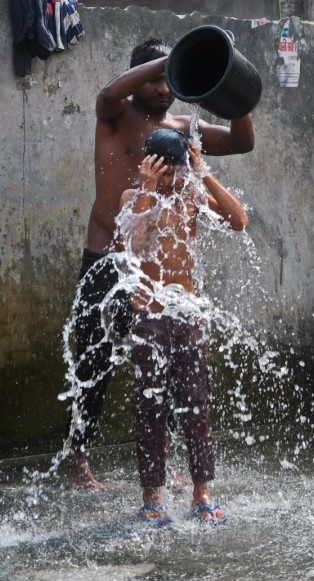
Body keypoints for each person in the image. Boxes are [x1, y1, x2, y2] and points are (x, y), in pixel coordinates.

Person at [66, 37, 255, 490]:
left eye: (167, 81)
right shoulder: (116, 116)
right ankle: (76, 458)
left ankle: (164, 462)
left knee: (164, 364)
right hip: (108, 260)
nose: (163, 88)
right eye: (154, 79)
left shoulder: (184, 127)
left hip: (155, 277)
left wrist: (233, 92)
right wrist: (174, 60)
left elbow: (242, 141)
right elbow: (108, 94)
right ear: (140, 77)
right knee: (94, 362)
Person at [121, 128, 248, 525]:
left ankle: (202, 492)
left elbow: (239, 220)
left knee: (196, 405)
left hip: (186, 311)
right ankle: (151, 496)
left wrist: (203, 172)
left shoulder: (191, 195)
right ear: (151, 167)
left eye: (178, 172)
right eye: (167, 173)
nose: (174, 181)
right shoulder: (133, 199)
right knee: (149, 406)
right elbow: (137, 245)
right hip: (149, 315)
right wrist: (146, 187)